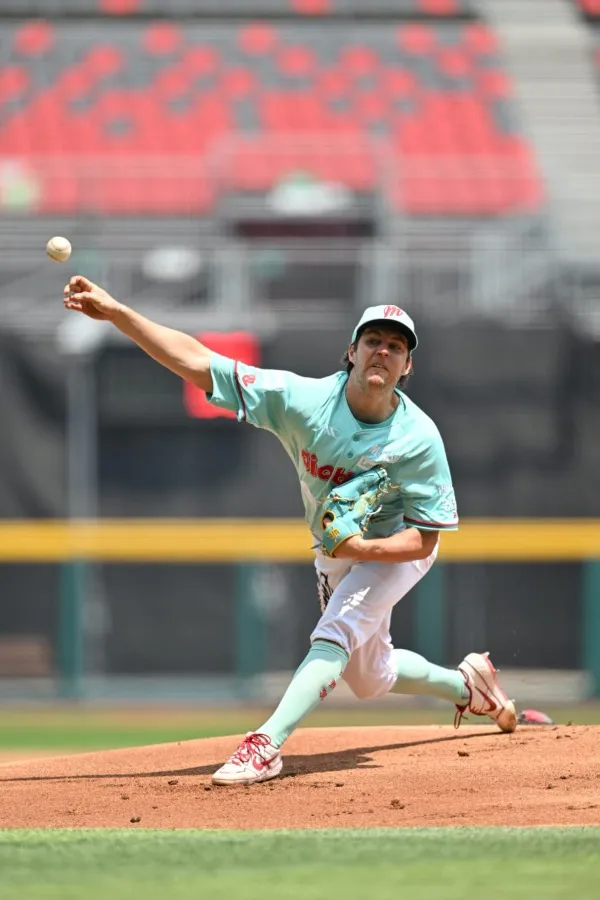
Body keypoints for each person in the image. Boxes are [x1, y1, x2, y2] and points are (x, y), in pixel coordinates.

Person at [64, 276, 517, 786]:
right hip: (336, 550)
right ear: (352, 351)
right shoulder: (301, 400)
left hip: (396, 549)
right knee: (368, 678)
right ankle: (468, 686)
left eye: (396, 347)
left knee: (336, 632)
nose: (383, 352)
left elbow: (425, 540)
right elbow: (198, 361)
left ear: (407, 365)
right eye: (373, 340)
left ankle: (265, 744)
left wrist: (364, 547)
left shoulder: (418, 438)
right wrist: (117, 313)